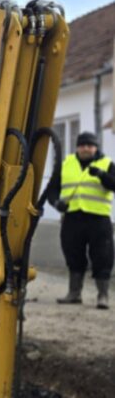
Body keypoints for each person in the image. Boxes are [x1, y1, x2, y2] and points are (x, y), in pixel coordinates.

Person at [46, 131, 114, 310]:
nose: (86, 148)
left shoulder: (107, 164)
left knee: (102, 256)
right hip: (72, 218)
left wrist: (101, 175)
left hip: (98, 219)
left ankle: (103, 296)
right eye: (82, 145)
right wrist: (56, 203)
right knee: (73, 254)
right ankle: (74, 293)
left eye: (89, 145)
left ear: (95, 147)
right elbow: (51, 189)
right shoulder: (65, 164)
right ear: (77, 147)